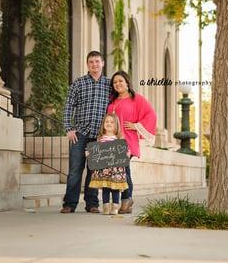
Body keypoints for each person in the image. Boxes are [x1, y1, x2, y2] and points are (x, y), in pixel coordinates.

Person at [60, 51, 111, 213]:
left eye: (97, 61)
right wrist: (69, 128)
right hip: (80, 133)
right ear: (87, 64)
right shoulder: (78, 83)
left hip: (99, 135)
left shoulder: (109, 85)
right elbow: (69, 105)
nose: (94, 65)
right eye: (91, 62)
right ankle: (69, 203)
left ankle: (92, 204)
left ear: (102, 63)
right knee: (75, 169)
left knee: (94, 171)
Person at [107, 70, 157, 214]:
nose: (118, 84)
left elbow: (151, 115)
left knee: (123, 169)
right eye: (115, 82)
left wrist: (136, 126)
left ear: (127, 83)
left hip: (128, 140)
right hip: (112, 141)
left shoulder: (137, 99)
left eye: (120, 81)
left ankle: (127, 198)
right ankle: (126, 200)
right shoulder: (112, 101)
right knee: (122, 171)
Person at [86, 113, 129, 215]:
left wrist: (127, 153)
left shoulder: (118, 139)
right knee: (105, 187)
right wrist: (89, 153)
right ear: (103, 124)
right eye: (107, 121)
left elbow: (124, 150)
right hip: (103, 168)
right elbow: (96, 151)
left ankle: (115, 207)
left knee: (115, 188)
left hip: (115, 169)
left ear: (116, 125)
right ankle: (105, 207)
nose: (109, 123)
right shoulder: (100, 138)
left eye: (112, 122)